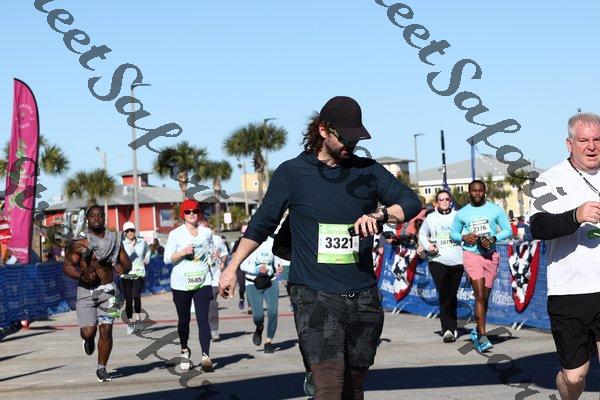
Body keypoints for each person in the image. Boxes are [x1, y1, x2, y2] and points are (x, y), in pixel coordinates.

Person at [220, 96, 421, 399]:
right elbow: (262, 224)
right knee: (329, 389)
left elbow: (411, 202)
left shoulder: (368, 171)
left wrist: (381, 215)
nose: (350, 144)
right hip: (314, 294)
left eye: (355, 138)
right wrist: (232, 267)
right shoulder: (292, 173)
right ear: (323, 129)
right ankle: (317, 374)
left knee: (353, 387)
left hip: (363, 295)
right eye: (344, 137)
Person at [530, 113, 600, 400]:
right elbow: (538, 226)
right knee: (575, 376)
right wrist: (576, 215)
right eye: (584, 140)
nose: (592, 146)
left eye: (597, 140)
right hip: (569, 291)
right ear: (569, 144)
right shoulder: (550, 180)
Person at [63, 205, 132, 382]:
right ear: (87, 219)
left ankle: (102, 368)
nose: (96, 218)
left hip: (108, 291)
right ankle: (88, 340)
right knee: (88, 332)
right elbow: (68, 267)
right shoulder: (79, 244)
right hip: (86, 292)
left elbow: (127, 263)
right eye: (92, 215)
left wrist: (122, 268)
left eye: (99, 215)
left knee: (106, 330)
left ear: (104, 218)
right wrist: (82, 275)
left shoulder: (114, 241)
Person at [450, 180, 512, 352]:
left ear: (484, 192)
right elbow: (453, 234)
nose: (477, 193)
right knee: (478, 294)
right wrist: (464, 237)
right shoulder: (462, 213)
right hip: (471, 255)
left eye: (480, 190)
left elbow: (508, 230)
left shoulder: (495, 210)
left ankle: (478, 329)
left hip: (490, 256)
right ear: (469, 193)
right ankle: (482, 337)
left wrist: (494, 238)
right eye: (474, 191)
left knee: (485, 297)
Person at [164, 199, 215, 372]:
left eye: (194, 211)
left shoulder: (206, 232)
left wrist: (214, 256)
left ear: (199, 213)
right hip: (181, 284)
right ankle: (184, 351)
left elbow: (210, 252)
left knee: (203, 319)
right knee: (184, 321)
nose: (192, 214)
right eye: (188, 212)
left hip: (203, 281)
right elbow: (167, 259)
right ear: (183, 215)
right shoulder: (176, 234)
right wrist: (182, 253)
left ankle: (206, 356)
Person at [418, 190, 464, 342]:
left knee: (452, 295)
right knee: (444, 293)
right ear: (436, 203)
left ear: (450, 201)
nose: (444, 201)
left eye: (446, 199)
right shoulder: (431, 218)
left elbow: (466, 233)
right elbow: (422, 234)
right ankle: (447, 330)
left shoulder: (458, 216)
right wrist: (428, 246)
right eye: (441, 199)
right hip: (437, 261)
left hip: (457, 261)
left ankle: (453, 326)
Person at [240, 235, 280, 353]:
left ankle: (268, 341)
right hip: (252, 283)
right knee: (258, 316)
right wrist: (256, 270)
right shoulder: (247, 241)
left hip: (270, 281)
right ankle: (259, 327)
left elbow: (277, 259)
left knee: (273, 312)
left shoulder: (272, 241)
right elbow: (242, 265)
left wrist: (278, 266)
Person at [199, 219, 229, 342]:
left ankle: (214, 330)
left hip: (214, 279)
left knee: (212, 305)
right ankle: (205, 328)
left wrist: (223, 262)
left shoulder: (217, 239)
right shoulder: (195, 240)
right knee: (202, 307)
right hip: (199, 279)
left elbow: (225, 253)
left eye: (206, 228)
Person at [120, 221, 150, 334]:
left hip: (139, 273)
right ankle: (130, 322)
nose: (130, 233)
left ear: (134, 231)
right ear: (124, 233)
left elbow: (148, 250)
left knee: (136, 295)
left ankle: (137, 317)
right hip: (126, 274)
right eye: (127, 231)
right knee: (128, 299)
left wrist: (147, 258)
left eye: (131, 230)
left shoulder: (142, 242)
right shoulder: (122, 244)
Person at [231, 225, 248, 311]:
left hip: (250, 268)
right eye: (243, 233)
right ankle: (241, 298)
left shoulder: (253, 242)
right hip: (240, 268)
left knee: (249, 286)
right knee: (242, 287)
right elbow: (233, 254)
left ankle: (250, 305)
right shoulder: (238, 242)